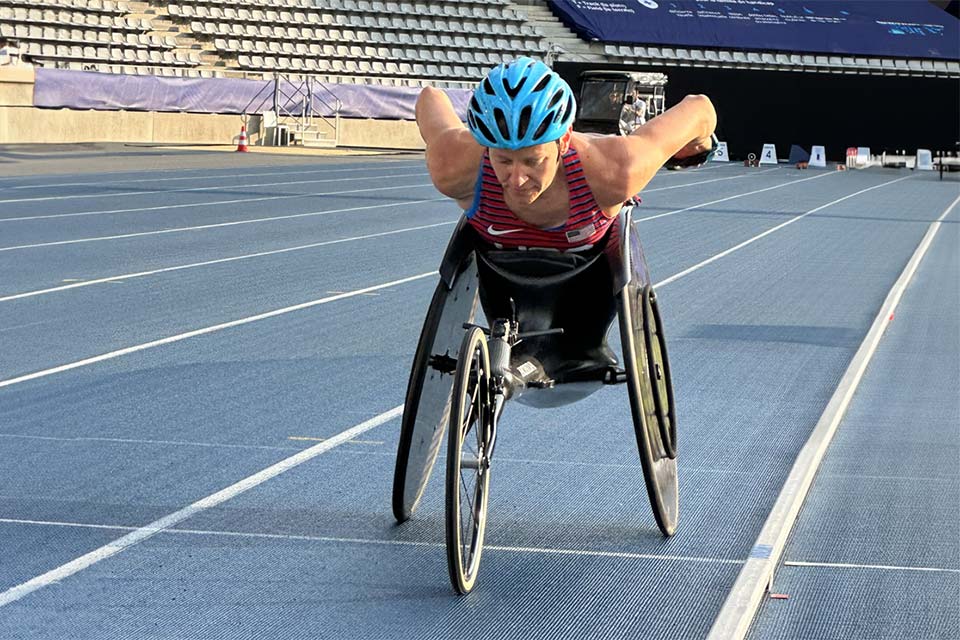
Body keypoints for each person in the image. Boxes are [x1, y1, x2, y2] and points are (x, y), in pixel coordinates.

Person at [415, 56, 716, 252]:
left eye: (533, 161)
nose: (517, 178)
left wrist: (698, 147)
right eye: (504, 160)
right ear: (486, 147)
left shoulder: (616, 170)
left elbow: (699, 107)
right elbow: (430, 97)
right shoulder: (452, 163)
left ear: (563, 141)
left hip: (589, 273)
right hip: (498, 270)